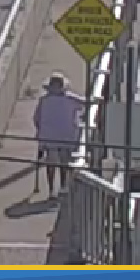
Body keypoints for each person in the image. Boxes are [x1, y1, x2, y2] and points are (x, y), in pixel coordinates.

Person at [32, 73, 84, 201]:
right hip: (66, 136)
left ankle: (51, 190)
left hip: (49, 137)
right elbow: (84, 104)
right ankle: (62, 187)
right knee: (64, 162)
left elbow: (36, 119)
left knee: (52, 164)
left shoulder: (44, 101)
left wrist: (40, 132)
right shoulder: (71, 99)